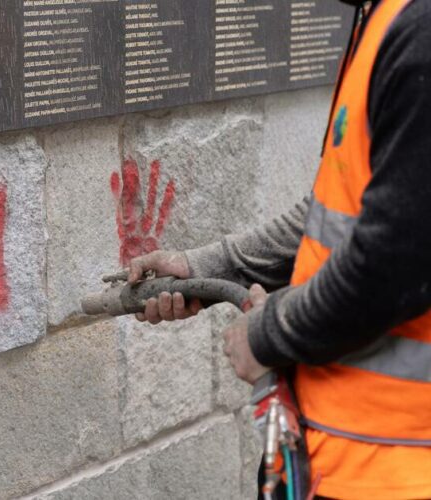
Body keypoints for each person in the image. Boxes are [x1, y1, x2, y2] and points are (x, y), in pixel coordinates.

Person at [127, 0, 431, 497]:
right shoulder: (383, 19)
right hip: (353, 459)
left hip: (400, 470)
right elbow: (334, 210)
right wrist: (204, 266)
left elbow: (396, 259)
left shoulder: (420, 31)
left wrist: (266, 334)